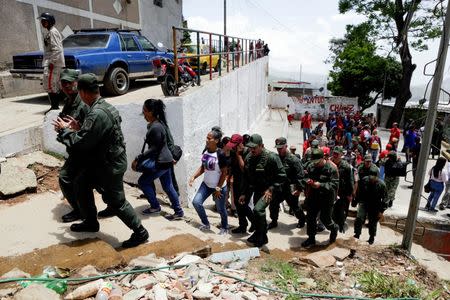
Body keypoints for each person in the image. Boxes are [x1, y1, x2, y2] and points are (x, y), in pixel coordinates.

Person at [52, 73, 148, 248]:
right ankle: (90, 221)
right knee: (81, 184)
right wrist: (78, 128)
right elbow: (96, 135)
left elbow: (82, 143)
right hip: (103, 161)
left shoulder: (97, 113)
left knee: (117, 202)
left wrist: (64, 130)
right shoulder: (103, 107)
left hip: (109, 165)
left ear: (82, 92)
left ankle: (140, 232)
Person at [134, 99, 184, 220]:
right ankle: (178, 211)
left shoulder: (156, 127)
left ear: (151, 112)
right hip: (165, 161)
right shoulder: (158, 124)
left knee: (143, 182)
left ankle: (155, 206)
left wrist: (138, 158)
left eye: (145, 111)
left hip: (160, 161)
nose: (143, 114)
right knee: (168, 186)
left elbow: (155, 148)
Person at [240, 134, 286, 247]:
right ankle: (259, 233)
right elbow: (246, 178)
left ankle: (262, 236)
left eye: (254, 148)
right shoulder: (249, 158)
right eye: (250, 147)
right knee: (257, 213)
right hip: (257, 189)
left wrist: (271, 189)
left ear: (262, 146)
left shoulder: (272, 157)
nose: (252, 150)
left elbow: (282, 176)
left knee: (258, 209)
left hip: (270, 190)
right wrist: (243, 193)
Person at [56, 69, 89, 223]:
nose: (67, 85)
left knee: (65, 177)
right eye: (64, 83)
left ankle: (79, 211)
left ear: (77, 83)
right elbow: (64, 121)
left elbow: (89, 129)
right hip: (75, 149)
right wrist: (60, 127)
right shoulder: (69, 101)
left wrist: (71, 128)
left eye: (70, 82)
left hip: (84, 150)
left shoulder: (83, 103)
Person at [189, 128, 229, 234]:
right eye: (207, 137)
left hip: (219, 187)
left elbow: (224, 173)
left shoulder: (220, 154)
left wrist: (218, 187)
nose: (206, 140)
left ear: (216, 140)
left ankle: (225, 227)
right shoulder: (205, 151)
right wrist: (194, 176)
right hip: (206, 185)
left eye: (209, 138)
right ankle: (206, 223)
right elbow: (203, 167)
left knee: (221, 209)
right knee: (196, 202)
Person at [301, 148, 339, 247]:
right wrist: (308, 181)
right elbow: (304, 176)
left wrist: (321, 185)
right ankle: (311, 238)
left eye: (317, 162)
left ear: (323, 158)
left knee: (325, 219)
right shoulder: (311, 166)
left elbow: (334, 185)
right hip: (313, 196)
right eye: (314, 162)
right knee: (310, 218)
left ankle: (334, 228)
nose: (315, 164)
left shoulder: (331, 168)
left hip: (327, 198)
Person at [269, 137, 306, 229]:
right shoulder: (276, 158)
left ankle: (302, 219)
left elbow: (300, 174)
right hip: (279, 187)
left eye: (281, 148)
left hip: (290, 188)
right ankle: (274, 221)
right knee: (273, 204)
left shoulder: (293, 159)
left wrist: (299, 189)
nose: (279, 150)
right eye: (277, 148)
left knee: (294, 206)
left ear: (286, 146)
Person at [226, 134, 254, 234]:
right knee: (238, 205)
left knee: (244, 204)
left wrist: (238, 154)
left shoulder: (247, 152)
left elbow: (244, 169)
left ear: (240, 144)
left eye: (234, 145)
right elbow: (232, 166)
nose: (232, 146)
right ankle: (242, 225)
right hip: (237, 181)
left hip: (247, 183)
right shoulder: (233, 151)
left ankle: (254, 222)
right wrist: (229, 178)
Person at [38, 12, 65, 111]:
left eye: (44, 21)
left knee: (51, 85)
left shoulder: (53, 32)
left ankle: (54, 107)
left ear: (50, 21)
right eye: (42, 21)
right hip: (51, 62)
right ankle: (54, 106)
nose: (42, 23)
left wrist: (51, 62)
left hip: (52, 63)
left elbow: (57, 49)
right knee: (53, 84)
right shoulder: (50, 32)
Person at [352, 173, 388, 245]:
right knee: (359, 219)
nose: (371, 179)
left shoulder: (381, 185)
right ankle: (357, 235)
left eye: (373, 178)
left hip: (375, 205)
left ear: (377, 178)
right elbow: (359, 191)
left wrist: (381, 211)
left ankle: (371, 238)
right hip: (364, 203)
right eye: (370, 177)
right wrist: (355, 201)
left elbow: (385, 199)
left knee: (372, 222)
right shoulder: (365, 180)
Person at [331, 146, 354, 233]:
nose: (335, 155)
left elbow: (350, 181)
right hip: (331, 191)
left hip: (342, 193)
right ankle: (334, 227)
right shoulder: (329, 163)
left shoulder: (346, 167)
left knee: (342, 211)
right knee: (332, 210)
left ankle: (341, 226)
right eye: (334, 153)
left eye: (337, 154)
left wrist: (350, 194)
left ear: (341, 155)